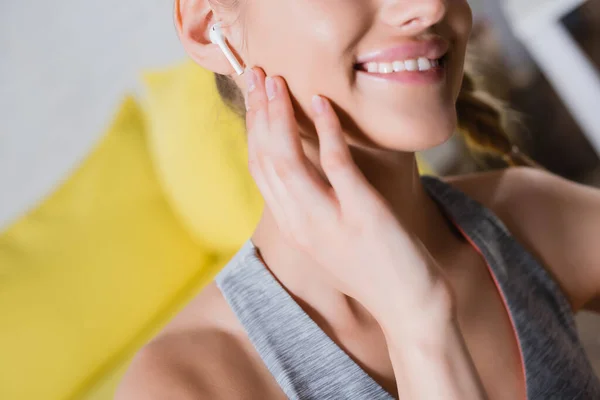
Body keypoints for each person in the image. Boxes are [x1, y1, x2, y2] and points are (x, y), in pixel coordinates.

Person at [116, 0, 600, 398]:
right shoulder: (186, 383)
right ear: (209, 27)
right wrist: (417, 323)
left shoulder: (529, 219)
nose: (429, 8)